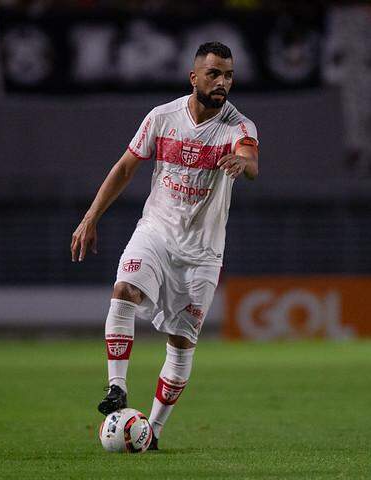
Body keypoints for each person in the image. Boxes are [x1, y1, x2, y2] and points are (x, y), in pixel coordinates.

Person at [71, 42, 259, 450]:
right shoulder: (162, 117)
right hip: (156, 231)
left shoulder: (239, 127)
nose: (222, 82)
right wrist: (90, 217)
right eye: (214, 74)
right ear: (194, 77)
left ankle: (152, 431)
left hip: (203, 253)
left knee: (181, 342)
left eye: (228, 74)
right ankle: (116, 388)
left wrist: (242, 164)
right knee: (123, 290)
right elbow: (124, 168)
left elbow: (251, 161)